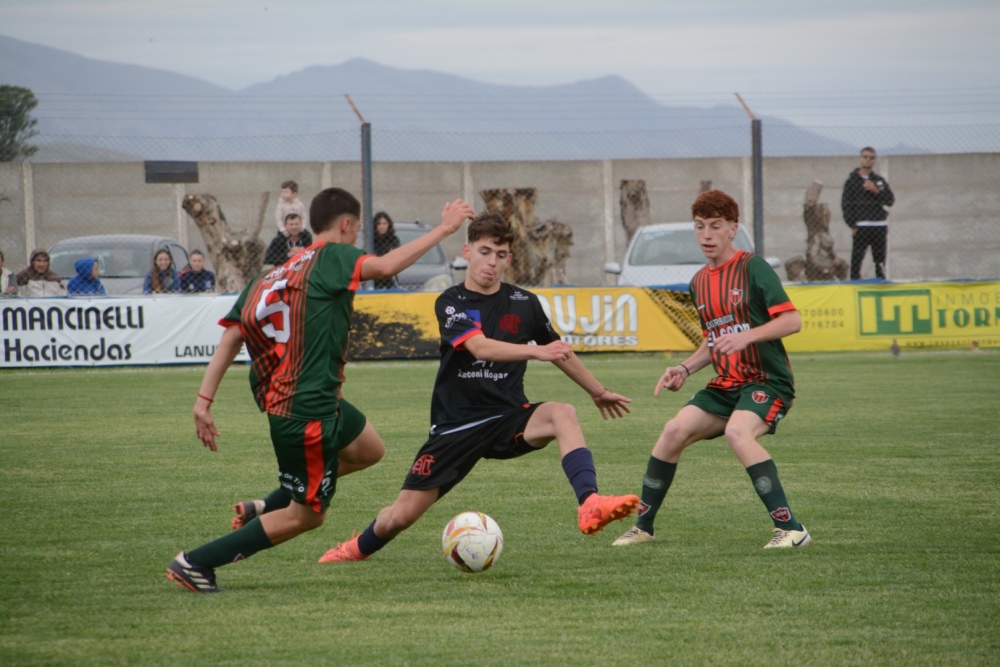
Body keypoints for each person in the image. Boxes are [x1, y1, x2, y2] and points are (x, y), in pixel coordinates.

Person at [166, 188, 474, 593]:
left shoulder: (272, 273)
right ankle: (195, 562)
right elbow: (383, 268)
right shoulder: (332, 255)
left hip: (317, 401)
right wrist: (445, 228)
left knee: (369, 450)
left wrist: (203, 402)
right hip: (304, 410)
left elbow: (232, 335)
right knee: (307, 516)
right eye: (357, 229)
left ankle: (264, 504)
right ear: (345, 225)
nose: (357, 238)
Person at [317, 212, 639, 565]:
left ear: (509, 259)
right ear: (467, 251)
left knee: (563, 413)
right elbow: (481, 347)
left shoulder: (525, 303)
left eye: (500, 255)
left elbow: (560, 352)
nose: (492, 262)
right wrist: (535, 350)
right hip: (456, 427)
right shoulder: (451, 302)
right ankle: (356, 548)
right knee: (401, 516)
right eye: (485, 252)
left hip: (508, 418)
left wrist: (597, 390)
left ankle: (589, 502)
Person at [612, 189, 810, 550]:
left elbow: (792, 321)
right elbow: (714, 340)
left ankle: (792, 529)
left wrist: (748, 336)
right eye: (700, 226)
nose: (706, 235)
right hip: (725, 384)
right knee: (673, 431)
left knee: (738, 432)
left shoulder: (753, 268)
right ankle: (644, 526)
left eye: (715, 226)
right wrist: (685, 369)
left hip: (767, 381)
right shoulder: (698, 282)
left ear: (732, 228)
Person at [841, 147, 895, 280]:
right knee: (857, 259)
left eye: (871, 158)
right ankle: (855, 283)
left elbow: (890, 200)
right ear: (860, 159)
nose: (868, 160)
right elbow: (846, 205)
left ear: (874, 161)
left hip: (879, 226)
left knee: (880, 260)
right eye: (865, 157)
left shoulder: (879, 181)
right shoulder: (852, 181)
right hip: (861, 226)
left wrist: (876, 191)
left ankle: (881, 282)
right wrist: (852, 225)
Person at [372, 211, 401, 289]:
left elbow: (395, 258)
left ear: (389, 225)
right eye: (379, 224)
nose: (382, 226)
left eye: (384, 223)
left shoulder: (393, 240)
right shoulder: (370, 240)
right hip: (373, 278)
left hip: (390, 278)